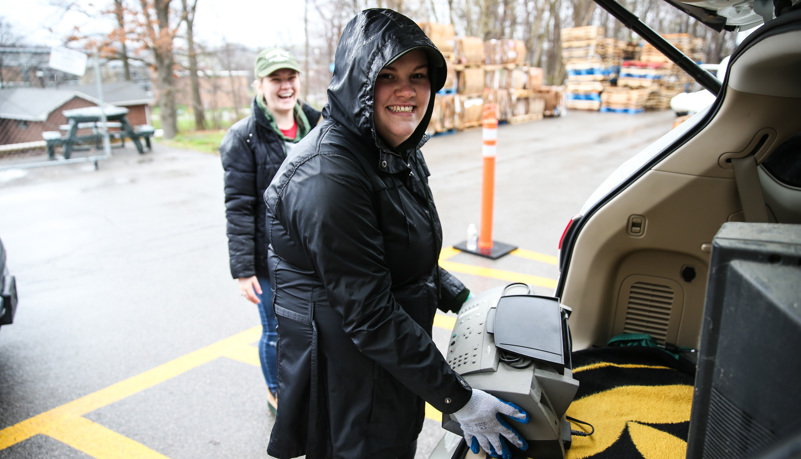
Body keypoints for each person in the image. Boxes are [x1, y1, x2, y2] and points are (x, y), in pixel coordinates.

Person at [264, 9, 529, 459]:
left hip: (391, 363)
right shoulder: (329, 177)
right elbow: (369, 314)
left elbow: (399, 247)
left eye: (419, 75)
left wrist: (463, 298)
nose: (407, 91)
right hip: (349, 379)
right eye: (388, 75)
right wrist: (460, 400)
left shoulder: (392, 148)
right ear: (356, 81)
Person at [220, 47, 321, 414]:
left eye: (290, 78)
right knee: (278, 332)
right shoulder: (243, 138)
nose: (284, 86)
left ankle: (310, 387)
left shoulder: (319, 123)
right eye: (275, 79)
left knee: (315, 327)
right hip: (269, 259)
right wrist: (244, 270)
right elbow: (239, 207)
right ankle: (277, 392)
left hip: (315, 252)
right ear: (259, 85)